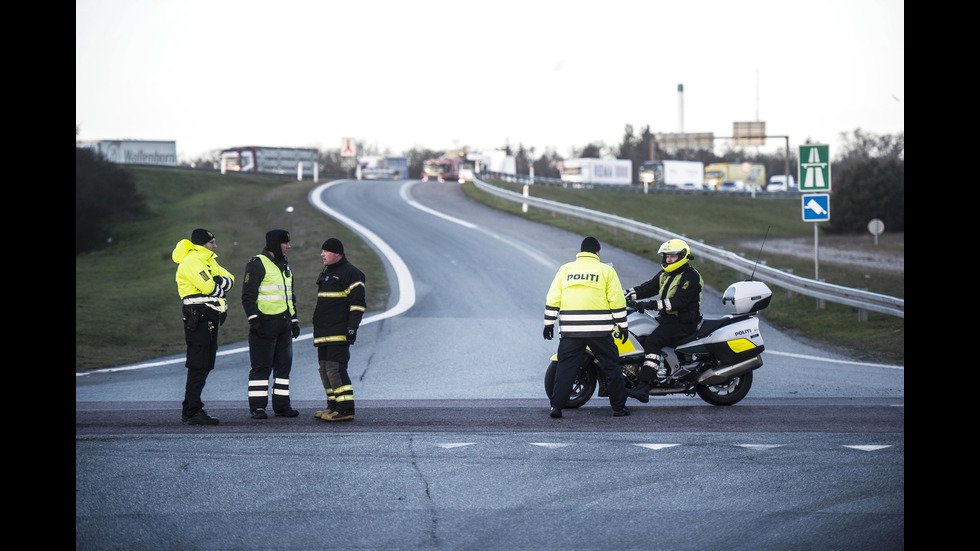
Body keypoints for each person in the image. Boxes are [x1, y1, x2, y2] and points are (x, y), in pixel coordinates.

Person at [543, 236, 630, 418]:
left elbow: (553, 298)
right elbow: (617, 301)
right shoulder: (606, 271)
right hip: (599, 330)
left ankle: (556, 407)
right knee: (611, 367)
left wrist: (549, 323)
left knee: (565, 368)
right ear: (597, 252)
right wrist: (622, 326)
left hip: (571, 330)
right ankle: (619, 409)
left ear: (581, 252)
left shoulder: (565, 269)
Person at [624, 239, 703, 402]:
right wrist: (624, 294)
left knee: (653, 341)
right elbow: (647, 288)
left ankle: (645, 386)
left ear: (682, 256)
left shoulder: (691, 276)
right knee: (643, 333)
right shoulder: (666, 274)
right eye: (666, 256)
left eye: (672, 257)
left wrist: (650, 305)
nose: (668, 260)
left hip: (683, 323)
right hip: (667, 320)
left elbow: (679, 301)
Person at [172, 228, 234, 426]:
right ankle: (193, 410)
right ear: (203, 243)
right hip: (198, 317)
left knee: (206, 362)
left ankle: (189, 408)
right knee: (199, 363)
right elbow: (209, 287)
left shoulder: (208, 259)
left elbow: (230, 279)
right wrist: (219, 285)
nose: (215, 246)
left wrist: (220, 283)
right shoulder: (192, 261)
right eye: (212, 242)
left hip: (209, 317)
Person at [241, 229, 301, 419]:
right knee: (261, 368)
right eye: (285, 243)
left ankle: (282, 406)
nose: (289, 247)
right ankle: (257, 407)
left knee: (283, 369)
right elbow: (248, 296)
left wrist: (294, 320)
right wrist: (254, 320)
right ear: (276, 244)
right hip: (264, 324)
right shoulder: (257, 264)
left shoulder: (284, 265)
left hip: (284, 324)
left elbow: (289, 295)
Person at [312, 238, 366, 422]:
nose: (322, 254)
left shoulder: (352, 274)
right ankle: (333, 406)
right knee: (324, 370)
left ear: (337, 254)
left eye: (326, 251)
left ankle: (345, 409)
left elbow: (357, 304)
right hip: (323, 332)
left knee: (335, 369)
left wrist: (352, 328)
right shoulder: (327, 272)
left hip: (338, 332)